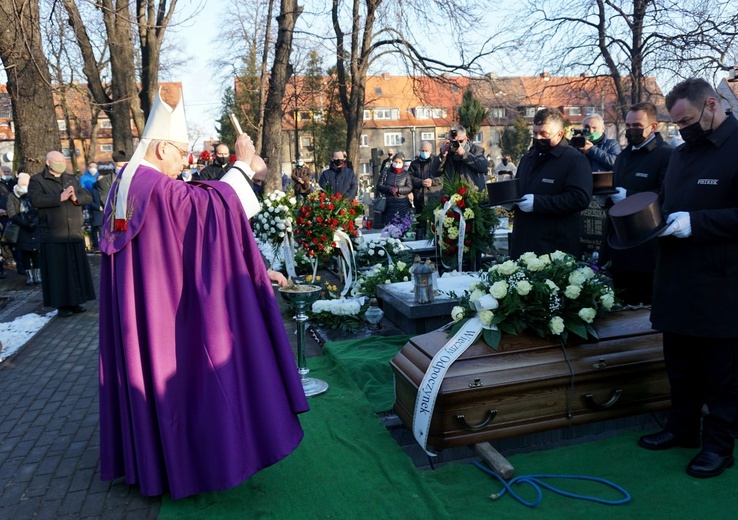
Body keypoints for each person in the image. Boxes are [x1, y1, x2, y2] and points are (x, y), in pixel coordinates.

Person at [98, 88, 308, 499]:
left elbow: (176, 240)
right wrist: (244, 165)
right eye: (180, 154)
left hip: (141, 305)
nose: (183, 165)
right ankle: (188, 461)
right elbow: (206, 211)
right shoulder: (152, 185)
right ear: (161, 147)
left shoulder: (127, 182)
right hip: (164, 314)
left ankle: (153, 459)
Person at [639, 78, 738, 479]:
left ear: (712, 106)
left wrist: (697, 223)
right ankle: (682, 429)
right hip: (677, 280)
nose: (683, 130)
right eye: (676, 125)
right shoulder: (680, 155)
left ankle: (718, 446)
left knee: (723, 375)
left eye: (688, 121)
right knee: (679, 366)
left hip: (722, 285)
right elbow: (668, 202)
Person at [598, 102, 672, 305]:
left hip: (645, 248)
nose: (631, 130)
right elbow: (615, 192)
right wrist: (605, 197)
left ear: (653, 126)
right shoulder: (622, 157)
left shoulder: (666, 155)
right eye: (628, 125)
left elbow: (666, 195)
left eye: (637, 125)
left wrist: (630, 196)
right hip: (618, 245)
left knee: (645, 309)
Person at [509, 108, 592, 259]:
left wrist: (538, 203)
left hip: (553, 247)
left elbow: (580, 198)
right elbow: (519, 190)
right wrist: (509, 201)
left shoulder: (574, 160)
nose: (538, 138)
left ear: (559, 134)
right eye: (534, 133)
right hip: (523, 243)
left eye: (544, 134)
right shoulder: (527, 159)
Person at [28, 151, 96, 317]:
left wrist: (75, 197)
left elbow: (87, 197)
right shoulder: (38, 180)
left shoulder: (71, 178)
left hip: (73, 232)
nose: (61, 162)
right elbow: (35, 199)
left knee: (75, 270)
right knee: (59, 273)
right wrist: (59, 197)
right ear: (48, 162)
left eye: (63, 160)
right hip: (53, 234)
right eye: (57, 160)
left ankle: (77, 301)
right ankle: (62, 305)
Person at [5, 171, 41, 285]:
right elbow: (12, 213)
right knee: (25, 253)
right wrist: (25, 223)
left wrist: (34, 222)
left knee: (36, 252)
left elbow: (39, 209)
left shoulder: (33, 193)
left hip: (35, 227)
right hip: (21, 228)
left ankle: (37, 275)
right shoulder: (13, 195)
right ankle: (29, 276)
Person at [430, 125, 488, 191]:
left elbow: (483, 167)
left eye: (460, 141)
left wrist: (463, 153)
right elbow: (434, 173)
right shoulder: (447, 152)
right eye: (453, 141)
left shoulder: (476, 150)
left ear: (466, 139)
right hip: (452, 194)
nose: (457, 144)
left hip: (473, 193)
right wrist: (442, 155)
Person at [409, 141, 441, 240]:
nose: (424, 152)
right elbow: (410, 177)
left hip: (434, 197)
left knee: (436, 224)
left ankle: (437, 243)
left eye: (426, 150)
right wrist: (420, 182)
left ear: (431, 151)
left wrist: (433, 181)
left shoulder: (438, 161)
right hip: (420, 198)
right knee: (420, 225)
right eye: (422, 150)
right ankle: (419, 243)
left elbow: (443, 176)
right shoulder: (414, 164)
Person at [377, 151, 413, 223]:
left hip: (402, 205)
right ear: (392, 162)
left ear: (403, 163)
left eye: (399, 162)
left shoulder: (406, 174)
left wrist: (398, 189)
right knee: (389, 228)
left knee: (403, 227)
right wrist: (390, 189)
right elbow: (379, 186)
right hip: (388, 205)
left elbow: (409, 187)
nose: (397, 164)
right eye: (395, 161)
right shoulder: (386, 172)